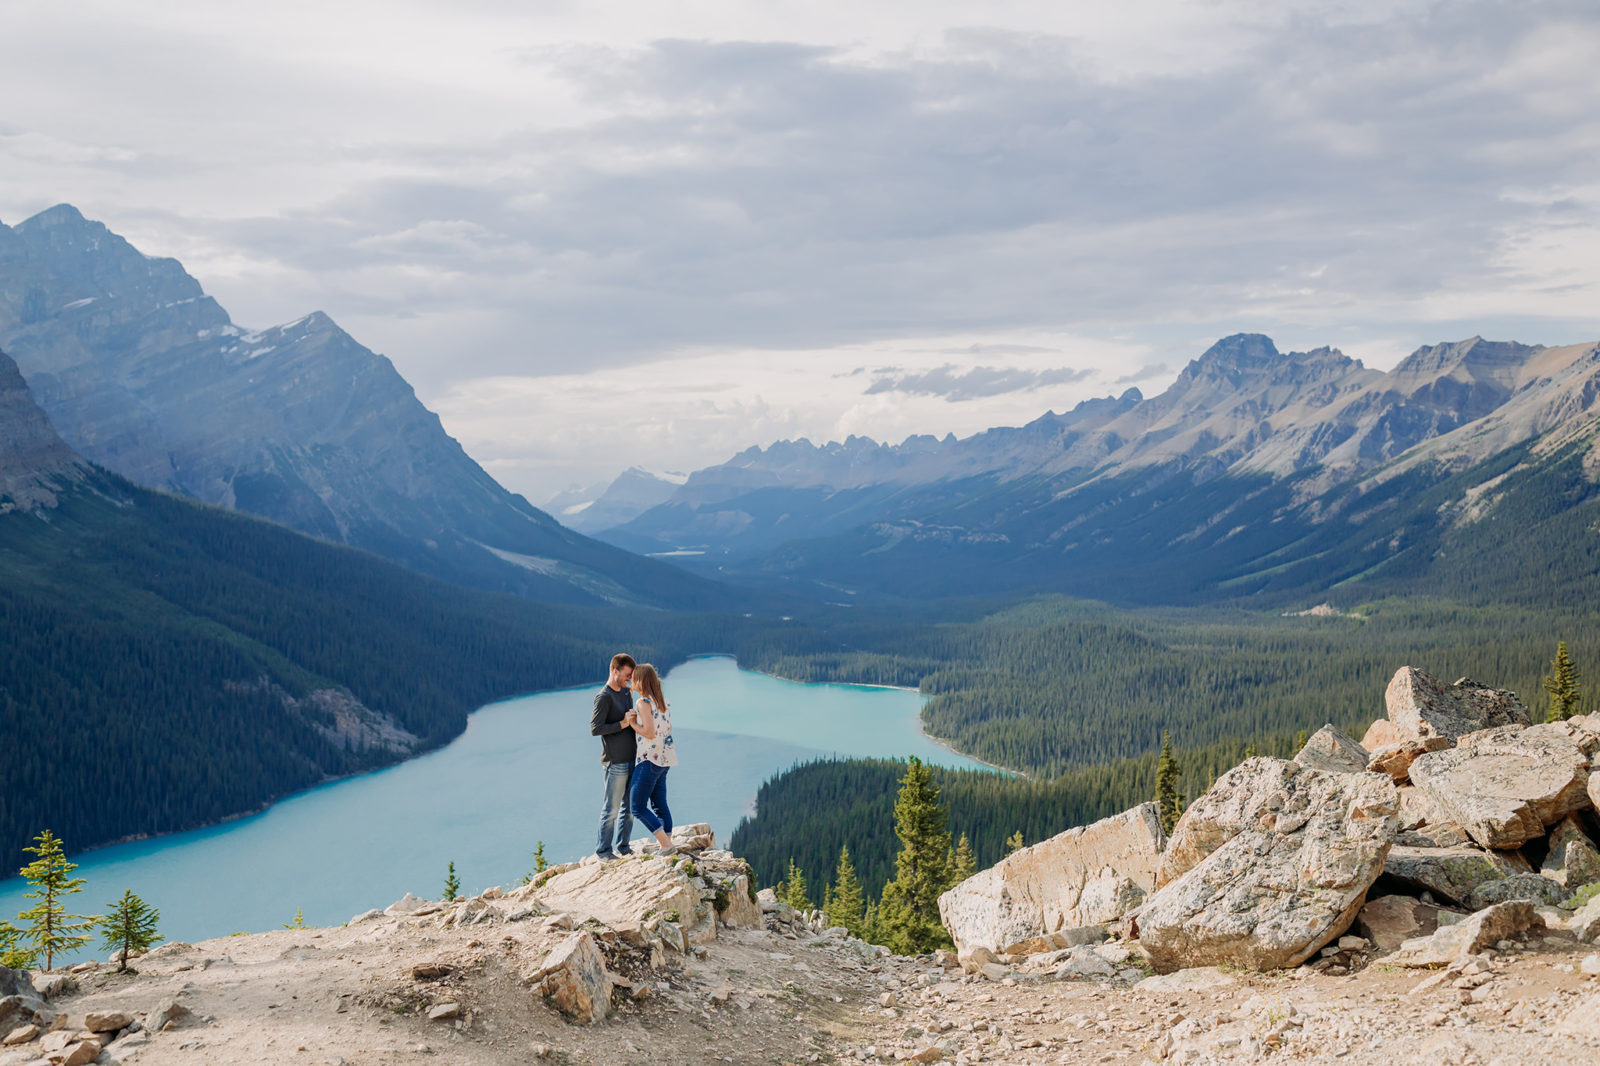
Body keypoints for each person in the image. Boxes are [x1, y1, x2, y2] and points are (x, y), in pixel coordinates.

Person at [627, 662, 678, 856]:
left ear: (640, 681)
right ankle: (667, 842)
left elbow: (648, 732)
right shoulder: (662, 701)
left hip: (648, 759)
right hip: (664, 759)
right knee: (659, 803)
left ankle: (666, 846)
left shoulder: (643, 703)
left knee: (637, 807)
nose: (631, 680)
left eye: (633, 677)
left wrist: (632, 723)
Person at [591, 652, 637, 860]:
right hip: (615, 762)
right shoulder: (604, 697)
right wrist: (622, 724)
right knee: (611, 809)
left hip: (632, 758)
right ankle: (603, 851)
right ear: (614, 671)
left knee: (630, 809)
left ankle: (624, 847)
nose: (630, 679)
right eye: (627, 675)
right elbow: (595, 728)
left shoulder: (626, 693)